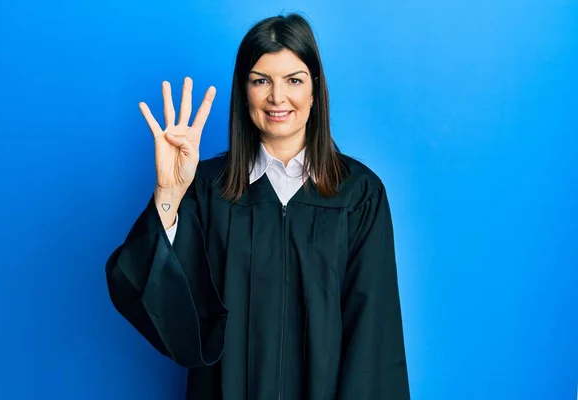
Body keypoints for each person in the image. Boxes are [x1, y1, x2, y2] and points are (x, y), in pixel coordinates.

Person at [105, 13, 410, 400]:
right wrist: (169, 193)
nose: (277, 97)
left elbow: (372, 337)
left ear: (315, 89)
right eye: (260, 80)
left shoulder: (358, 194)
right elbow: (159, 302)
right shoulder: (206, 189)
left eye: (294, 80)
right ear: (244, 90)